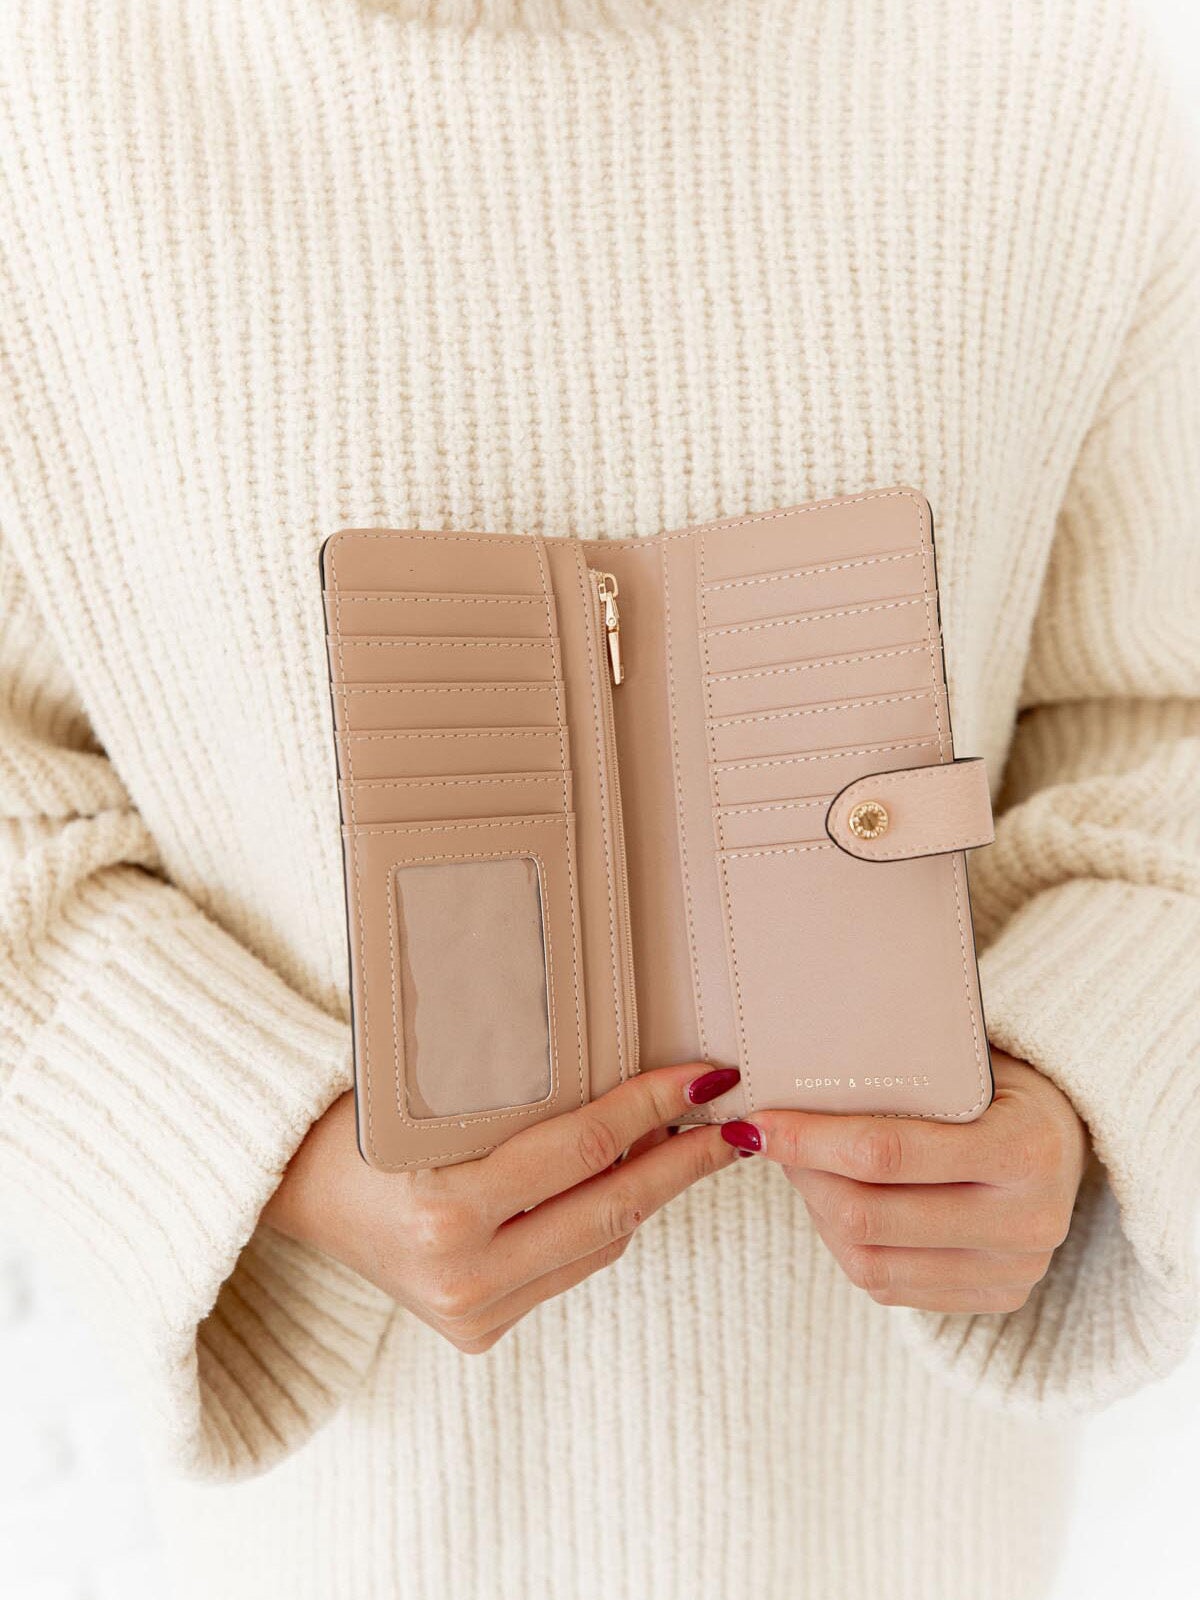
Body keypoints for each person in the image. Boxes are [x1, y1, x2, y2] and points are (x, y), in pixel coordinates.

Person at [0, 1, 1196, 1596]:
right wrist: (266, 1145)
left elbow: (1158, 718)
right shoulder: (52, 111)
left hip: (901, 1508)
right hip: (361, 1519)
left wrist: (1082, 1090)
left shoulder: (1046, 80)